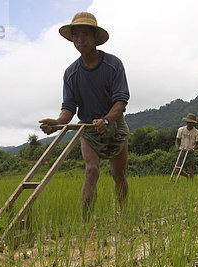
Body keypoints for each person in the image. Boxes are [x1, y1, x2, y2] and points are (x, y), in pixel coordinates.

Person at [38, 12, 130, 220]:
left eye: (85, 34)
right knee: (91, 171)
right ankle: (85, 222)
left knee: (119, 175)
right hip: (88, 129)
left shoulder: (113, 65)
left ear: (95, 37)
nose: (80, 39)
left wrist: (107, 119)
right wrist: (58, 123)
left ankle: (124, 216)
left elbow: (121, 100)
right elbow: (69, 108)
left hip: (114, 125)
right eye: (76, 35)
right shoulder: (71, 73)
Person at [174, 113, 198, 179]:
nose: (189, 124)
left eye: (191, 123)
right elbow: (177, 140)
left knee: (191, 170)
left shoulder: (196, 132)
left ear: (193, 123)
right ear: (186, 122)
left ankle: (191, 182)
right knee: (177, 170)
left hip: (190, 152)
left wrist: (193, 149)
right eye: (188, 122)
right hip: (182, 151)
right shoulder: (181, 130)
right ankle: (187, 176)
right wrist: (177, 147)